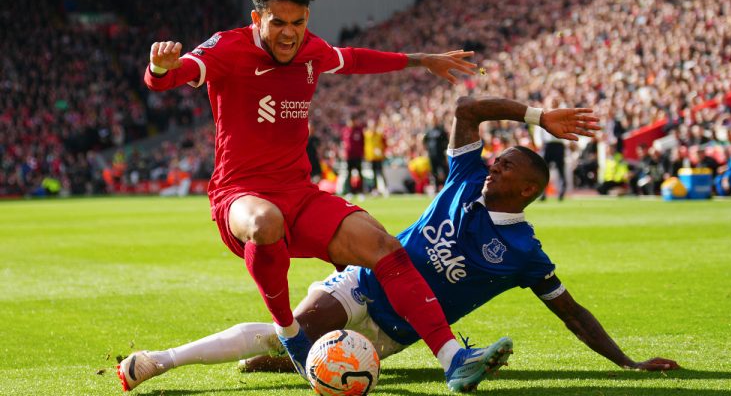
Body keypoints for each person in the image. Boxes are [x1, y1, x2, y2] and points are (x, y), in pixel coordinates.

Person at [117, 98, 678, 393]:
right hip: (362, 283)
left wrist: (626, 363)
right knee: (298, 328)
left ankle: (285, 361)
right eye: (495, 158)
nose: (492, 165)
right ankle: (161, 361)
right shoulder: (464, 180)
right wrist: (534, 116)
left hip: (394, 334)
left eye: (504, 165)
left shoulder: (525, 254)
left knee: (315, 357)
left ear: (528, 189)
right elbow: (467, 109)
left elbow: (572, 313)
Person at [125, 0, 501, 392]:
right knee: (266, 223)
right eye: (278, 23)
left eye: (299, 23)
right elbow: (171, 76)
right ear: (257, 19)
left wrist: (420, 60)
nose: (290, 33)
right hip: (241, 195)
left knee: (385, 246)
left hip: (301, 196)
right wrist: (158, 68)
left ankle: (454, 359)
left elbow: (355, 59)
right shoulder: (227, 49)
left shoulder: (312, 49)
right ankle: (290, 335)